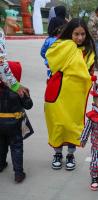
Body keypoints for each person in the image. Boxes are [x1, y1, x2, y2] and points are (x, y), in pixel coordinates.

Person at [45, 18, 96, 171]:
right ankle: (58, 154)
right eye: (76, 34)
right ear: (69, 33)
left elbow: (90, 72)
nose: (80, 38)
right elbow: (50, 62)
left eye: (83, 34)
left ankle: (70, 155)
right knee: (58, 123)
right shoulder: (61, 46)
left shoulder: (88, 51)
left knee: (73, 125)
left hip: (76, 95)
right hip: (59, 91)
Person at [0, 28, 32, 183]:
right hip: (15, 124)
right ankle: (18, 173)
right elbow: (29, 105)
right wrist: (25, 94)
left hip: (0, 124)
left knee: (1, 145)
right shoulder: (19, 91)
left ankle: (0, 164)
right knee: (16, 147)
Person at [41, 5, 67, 79]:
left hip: (51, 60)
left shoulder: (54, 19)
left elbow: (43, 52)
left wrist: (47, 57)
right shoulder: (65, 22)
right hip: (63, 47)